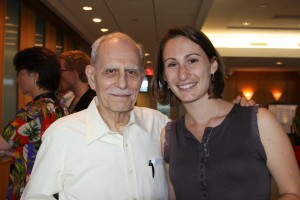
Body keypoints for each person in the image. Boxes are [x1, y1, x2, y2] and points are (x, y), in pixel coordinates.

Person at [21, 32, 254, 200]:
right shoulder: (62, 134)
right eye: (111, 71)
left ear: (142, 76)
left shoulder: (162, 127)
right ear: (92, 77)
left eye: (131, 72)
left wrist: (236, 113)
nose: (122, 83)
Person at [151, 26, 300, 200]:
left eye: (192, 60)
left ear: (212, 65)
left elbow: (293, 192)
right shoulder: (168, 136)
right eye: (172, 64)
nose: (182, 74)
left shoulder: (259, 121)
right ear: (164, 77)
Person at [0, 47, 65, 200]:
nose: (17, 80)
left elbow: (3, 143)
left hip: (30, 190)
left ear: (35, 75)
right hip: (52, 187)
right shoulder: (60, 106)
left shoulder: (34, 111)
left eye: (20, 73)